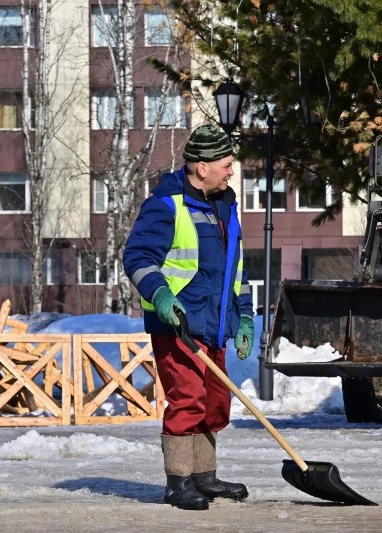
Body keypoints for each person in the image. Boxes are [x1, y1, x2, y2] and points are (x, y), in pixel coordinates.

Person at [123, 124, 255, 511]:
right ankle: (177, 482)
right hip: (178, 325)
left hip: (215, 324)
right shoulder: (166, 205)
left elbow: (237, 271)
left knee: (215, 402)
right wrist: (161, 294)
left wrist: (243, 317)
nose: (231, 171)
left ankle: (204, 476)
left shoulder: (225, 207)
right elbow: (138, 258)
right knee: (188, 400)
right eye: (227, 164)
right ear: (202, 167)